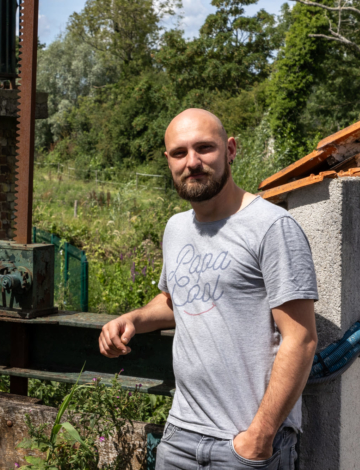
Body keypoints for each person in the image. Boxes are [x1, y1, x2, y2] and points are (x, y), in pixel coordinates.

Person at [98, 109, 318, 469]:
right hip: (180, 435)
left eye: (205, 148)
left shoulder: (272, 226)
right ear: (167, 160)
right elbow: (177, 298)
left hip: (246, 444)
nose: (193, 162)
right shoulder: (176, 228)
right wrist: (134, 319)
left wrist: (258, 437)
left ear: (230, 150)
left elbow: (301, 339)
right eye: (180, 152)